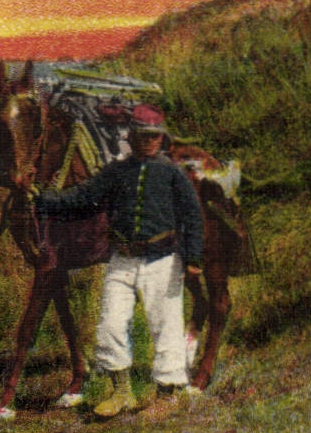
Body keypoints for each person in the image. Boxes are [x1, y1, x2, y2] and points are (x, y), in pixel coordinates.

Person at [29, 104, 204, 416]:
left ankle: (168, 396)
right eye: (142, 135)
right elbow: (83, 197)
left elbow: (192, 215)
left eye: (154, 136)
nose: (148, 141)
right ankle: (122, 392)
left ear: (161, 138)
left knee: (165, 325)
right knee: (110, 323)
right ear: (131, 137)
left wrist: (192, 258)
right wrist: (43, 199)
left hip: (162, 261)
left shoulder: (173, 173)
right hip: (122, 260)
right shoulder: (117, 171)